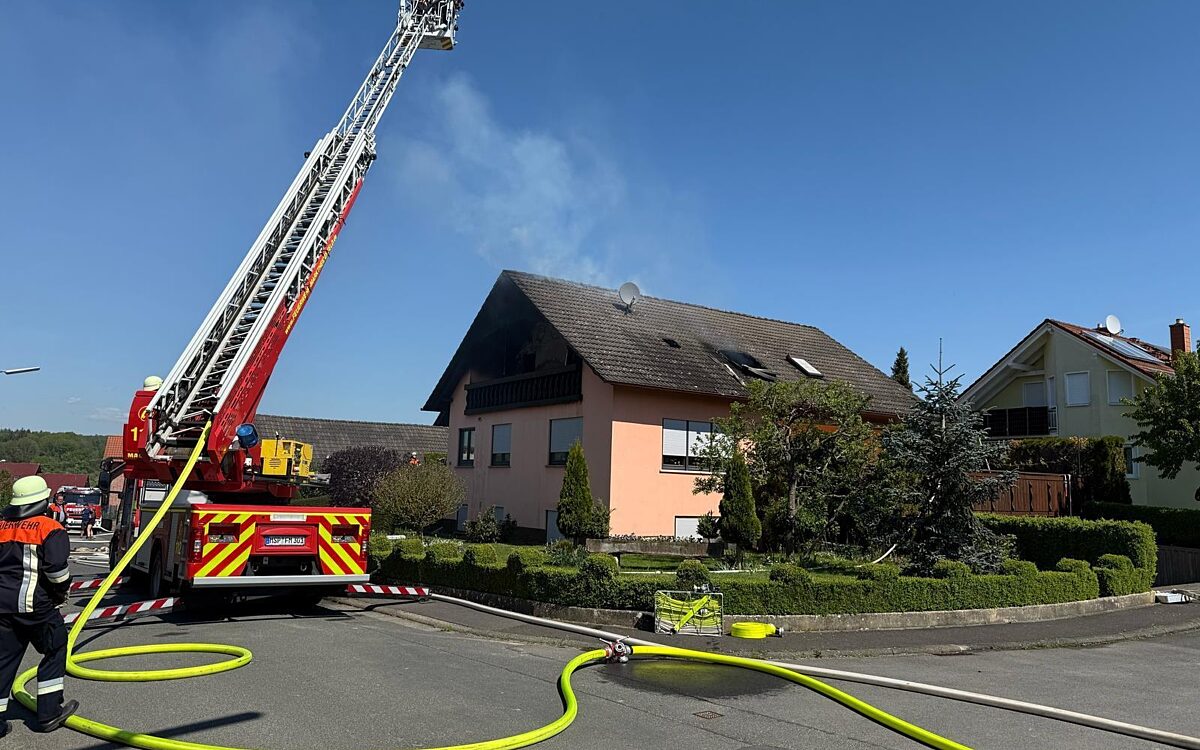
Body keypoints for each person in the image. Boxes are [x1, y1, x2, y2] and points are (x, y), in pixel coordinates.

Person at [0, 476, 79, 736]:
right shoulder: (49, 528)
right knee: (55, 649)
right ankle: (49, 712)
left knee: (3, 660)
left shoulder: (1, 525)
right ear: (43, 500)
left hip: (2, 608)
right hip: (36, 607)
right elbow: (57, 570)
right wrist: (61, 591)